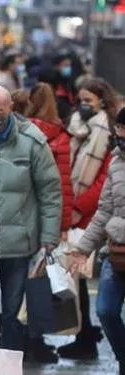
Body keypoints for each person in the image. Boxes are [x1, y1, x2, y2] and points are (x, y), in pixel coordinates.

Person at [0, 85, 62, 354]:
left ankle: (10, 361)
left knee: (12, 312)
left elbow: (50, 192)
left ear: (11, 107)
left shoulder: (32, 141)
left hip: (19, 243)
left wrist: (48, 238)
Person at [58, 77, 119, 360]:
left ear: (102, 101)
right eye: (80, 101)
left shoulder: (108, 133)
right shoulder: (77, 130)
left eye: (88, 102)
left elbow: (103, 183)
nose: (82, 107)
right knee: (86, 288)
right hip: (82, 219)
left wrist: (79, 206)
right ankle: (86, 337)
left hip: (90, 215)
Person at [69, 107, 125, 375]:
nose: (122, 134)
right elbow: (104, 211)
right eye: (121, 129)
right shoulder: (115, 163)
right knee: (105, 310)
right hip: (116, 253)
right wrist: (82, 249)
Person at [23, 82, 73, 362]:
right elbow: (62, 186)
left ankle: (24, 337)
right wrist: (62, 226)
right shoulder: (61, 136)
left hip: (22, 216)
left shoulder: (24, 134)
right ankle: (37, 337)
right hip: (47, 218)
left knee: (18, 283)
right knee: (38, 281)